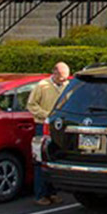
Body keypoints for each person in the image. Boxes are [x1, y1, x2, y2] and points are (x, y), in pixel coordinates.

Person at [26, 61, 71, 205]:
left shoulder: (66, 86)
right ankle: (40, 195)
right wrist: (46, 115)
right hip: (42, 126)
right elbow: (31, 105)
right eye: (62, 77)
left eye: (66, 77)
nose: (64, 80)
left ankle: (53, 193)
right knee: (41, 160)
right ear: (55, 73)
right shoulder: (42, 86)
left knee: (55, 159)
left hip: (58, 127)